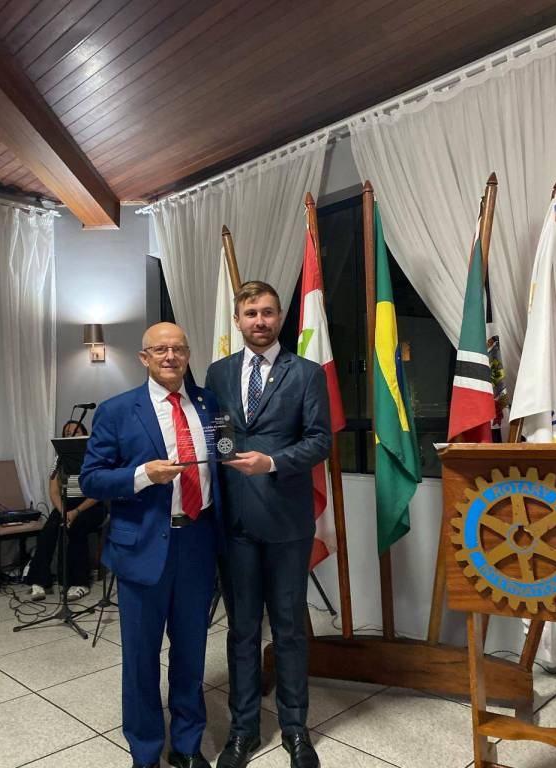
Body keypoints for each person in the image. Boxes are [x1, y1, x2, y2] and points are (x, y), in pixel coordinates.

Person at [80, 322, 222, 768]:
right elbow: (91, 479)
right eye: (160, 350)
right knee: (141, 657)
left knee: (191, 652)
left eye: (178, 349)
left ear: (188, 355)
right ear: (144, 358)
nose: (170, 357)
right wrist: (143, 475)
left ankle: (186, 745)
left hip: (198, 541)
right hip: (142, 547)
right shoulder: (118, 410)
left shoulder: (208, 404)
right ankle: (144, 751)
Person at [205, 281, 331, 768]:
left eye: (268, 312)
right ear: (237, 321)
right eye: (251, 313)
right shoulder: (218, 373)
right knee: (241, 630)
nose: (260, 321)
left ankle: (296, 729)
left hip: (286, 521)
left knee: (289, 629)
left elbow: (320, 441)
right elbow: (217, 435)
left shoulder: (306, 373)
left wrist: (273, 462)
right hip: (235, 523)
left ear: (280, 318)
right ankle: (243, 730)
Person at [26, 420, 105, 602]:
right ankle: (39, 580)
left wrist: (76, 512)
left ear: (85, 434)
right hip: (66, 504)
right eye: (67, 433)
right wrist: (63, 512)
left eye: (76, 432)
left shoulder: (96, 457)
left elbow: (98, 492)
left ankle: (80, 583)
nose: (71, 435)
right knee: (49, 528)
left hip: (91, 505)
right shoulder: (60, 459)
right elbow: (54, 491)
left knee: (76, 528)